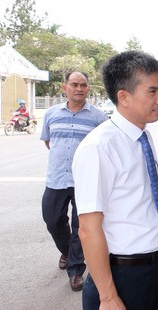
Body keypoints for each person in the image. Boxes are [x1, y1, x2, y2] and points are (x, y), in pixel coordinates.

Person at [72, 50, 158, 310]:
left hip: (154, 268)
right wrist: (107, 297)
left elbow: (147, 202)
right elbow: (88, 229)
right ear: (124, 97)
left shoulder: (144, 137)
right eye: (152, 92)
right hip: (121, 276)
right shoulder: (99, 147)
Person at [40, 71, 108, 292]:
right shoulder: (51, 114)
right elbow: (49, 142)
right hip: (57, 178)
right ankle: (68, 252)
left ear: (88, 88)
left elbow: (104, 148)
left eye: (83, 85)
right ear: (64, 88)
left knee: (81, 227)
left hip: (85, 180)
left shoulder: (98, 118)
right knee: (52, 219)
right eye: (74, 84)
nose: (79, 88)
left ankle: (76, 269)